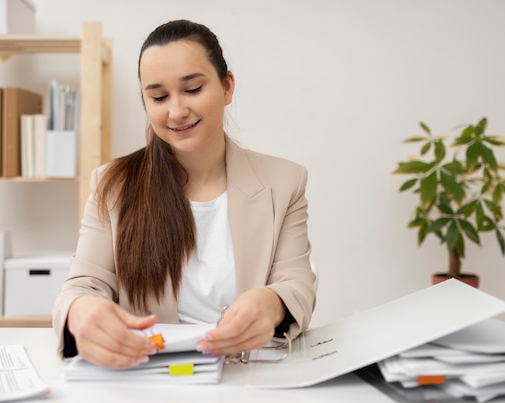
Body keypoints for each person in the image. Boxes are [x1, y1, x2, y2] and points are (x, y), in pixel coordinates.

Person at [52, 19, 316, 369]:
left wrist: (271, 302)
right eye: (158, 96)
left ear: (226, 87)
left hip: (249, 376)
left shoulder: (285, 182)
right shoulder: (112, 184)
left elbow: (296, 282)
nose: (176, 111)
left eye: (192, 90)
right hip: (151, 379)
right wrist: (81, 310)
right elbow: (80, 286)